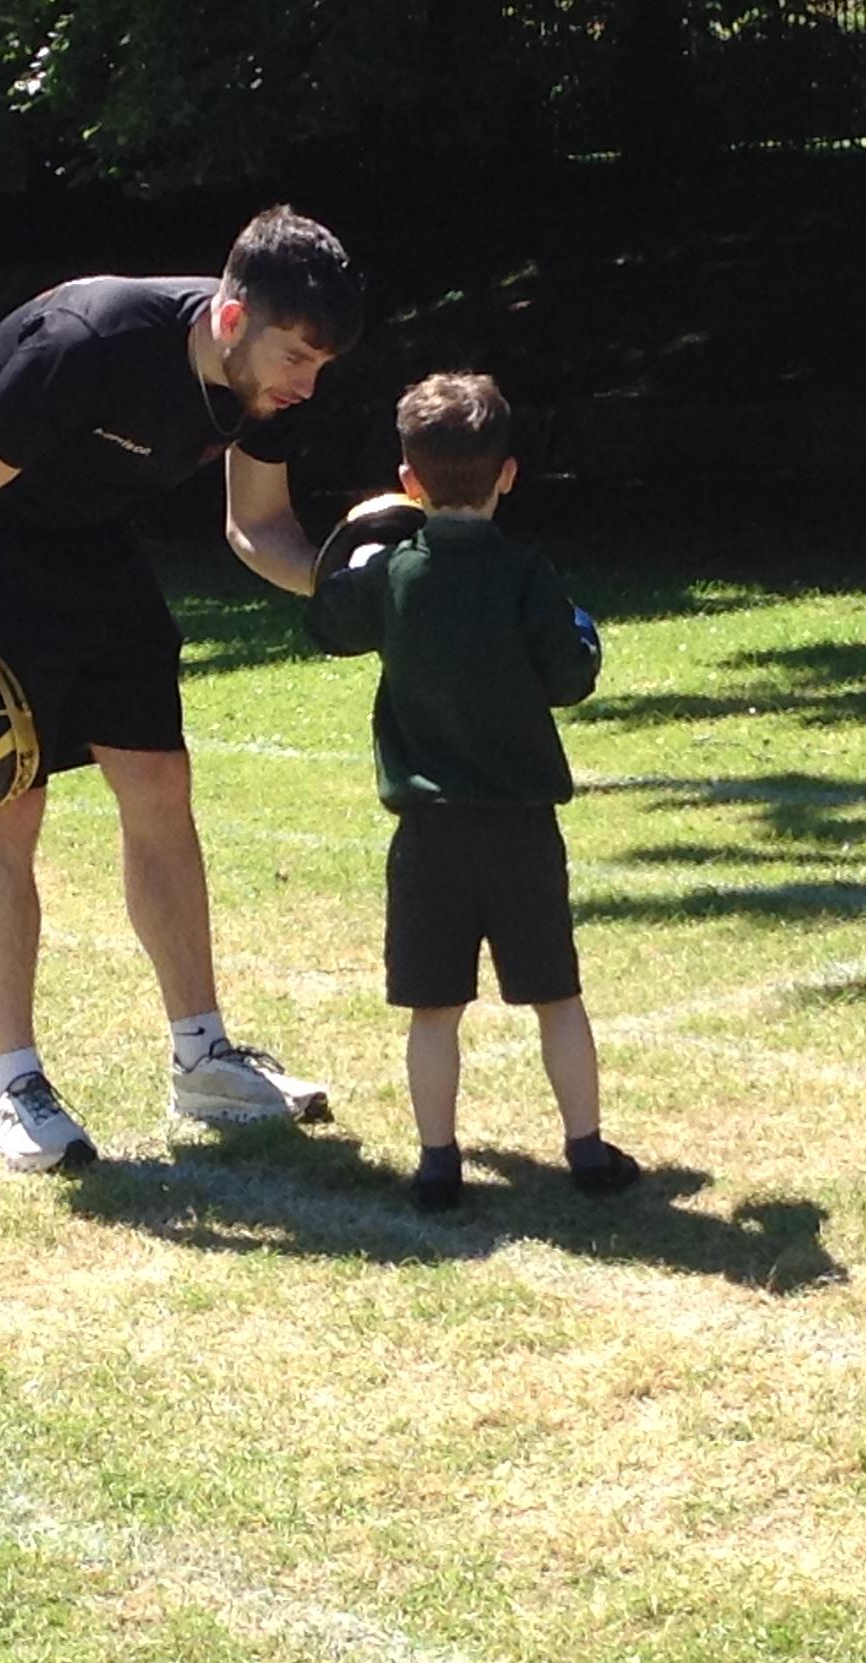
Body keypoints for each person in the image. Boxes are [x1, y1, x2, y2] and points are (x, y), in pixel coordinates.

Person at [0, 206, 362, 1172]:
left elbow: (257, 528)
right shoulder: (93, 339)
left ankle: (204, 1059)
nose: (306, 385)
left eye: (321, 365)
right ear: (231, 320)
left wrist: (351, 587)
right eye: (295, 358)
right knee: (9, 803)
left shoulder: (265, 391)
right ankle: (15, 1087)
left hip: (91, 536)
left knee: (159, 782)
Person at [303, 372, 641, 1212]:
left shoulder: (393, 575)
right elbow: (569, 677)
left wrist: (353, 554)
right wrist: (582, 629)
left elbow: (328, 623)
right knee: (557, 996)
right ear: (509, 474)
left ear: (409, 480)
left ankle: (437, 1162)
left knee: (433, 1009)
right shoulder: (527, 571)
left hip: (430, 832)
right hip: (522, 827)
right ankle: (587, 1150)